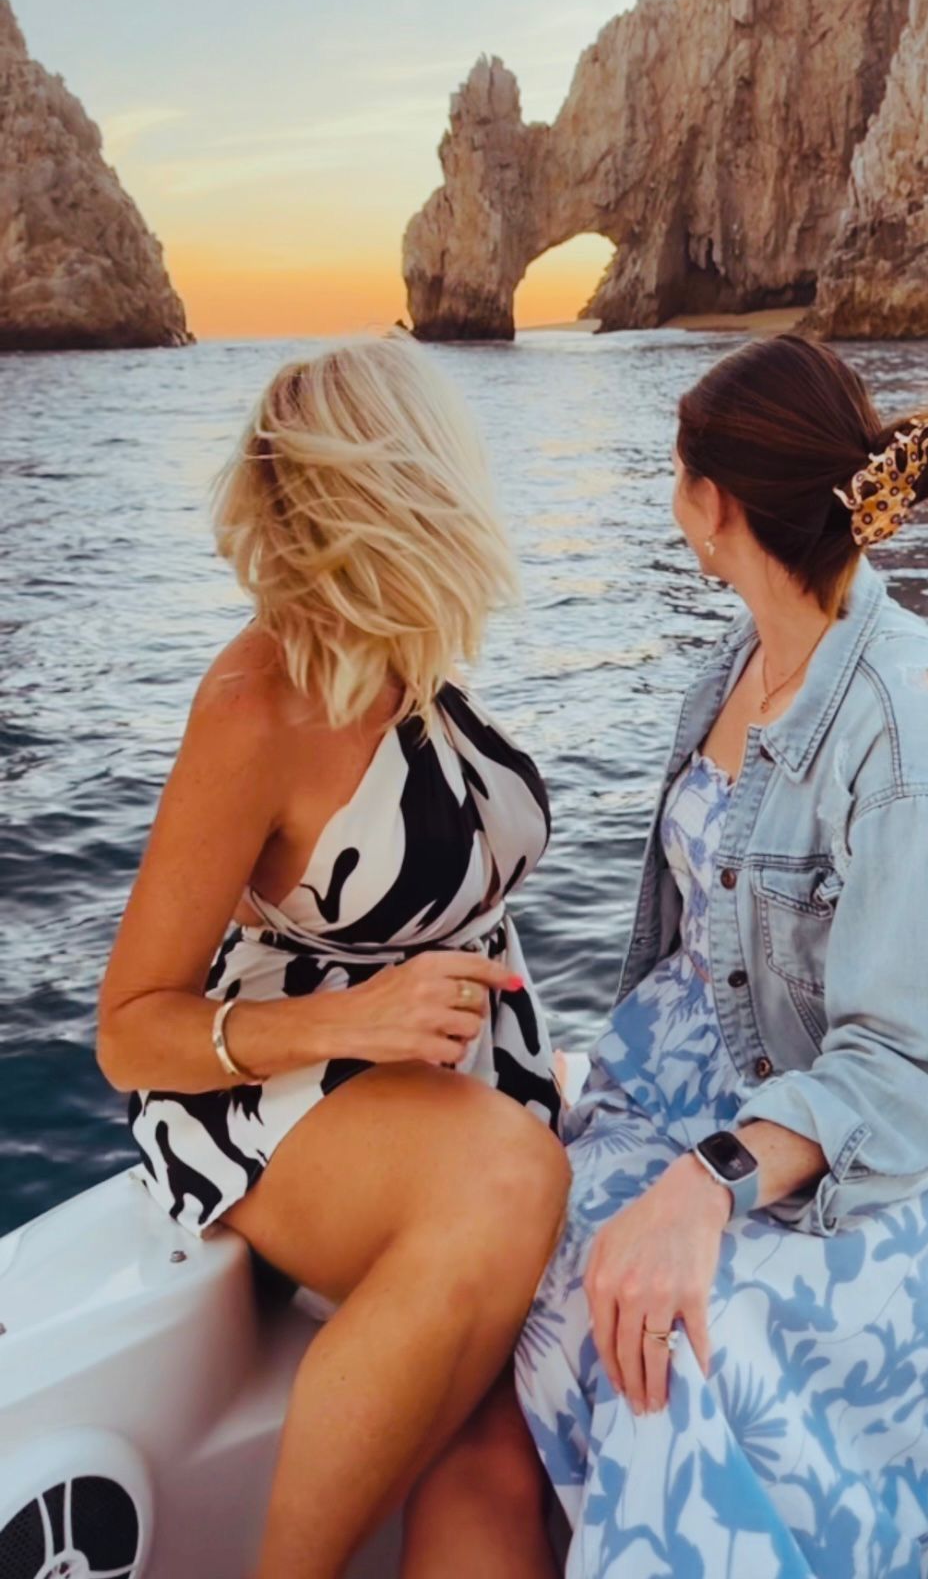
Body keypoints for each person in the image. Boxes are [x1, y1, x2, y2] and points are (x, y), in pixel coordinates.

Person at [518, 333, 928, 1579]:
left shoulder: (906, 729)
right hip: (693, 1076)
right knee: (543, 1278)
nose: (672, 501)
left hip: (880, 1128)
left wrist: (705, 1182)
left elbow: (913, 1064)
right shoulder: (739, 661)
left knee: (682, 1347)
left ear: (716, 506)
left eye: (676, 475)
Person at [97, 335, 569, 1579]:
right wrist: (351, 1021)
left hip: (459, 1077)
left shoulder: (413, 652)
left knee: (498, 1460)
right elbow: (128, 1026)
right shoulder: (255, 702)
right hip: (273, 1087)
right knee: (507, 1180)